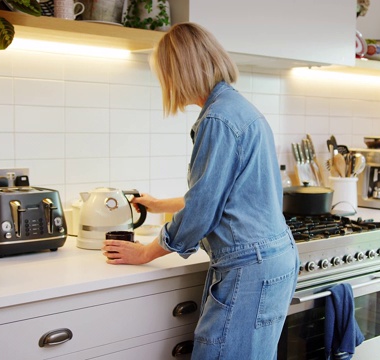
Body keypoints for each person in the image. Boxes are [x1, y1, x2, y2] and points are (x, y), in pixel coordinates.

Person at [101, 22, 299, 360]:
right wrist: (159, 203)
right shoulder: (238, 108)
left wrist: (144, 253)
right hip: (274, 257)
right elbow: (227, 194)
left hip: (249, 265)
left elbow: (203, 209)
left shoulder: (217, 120)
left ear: (178, 72)